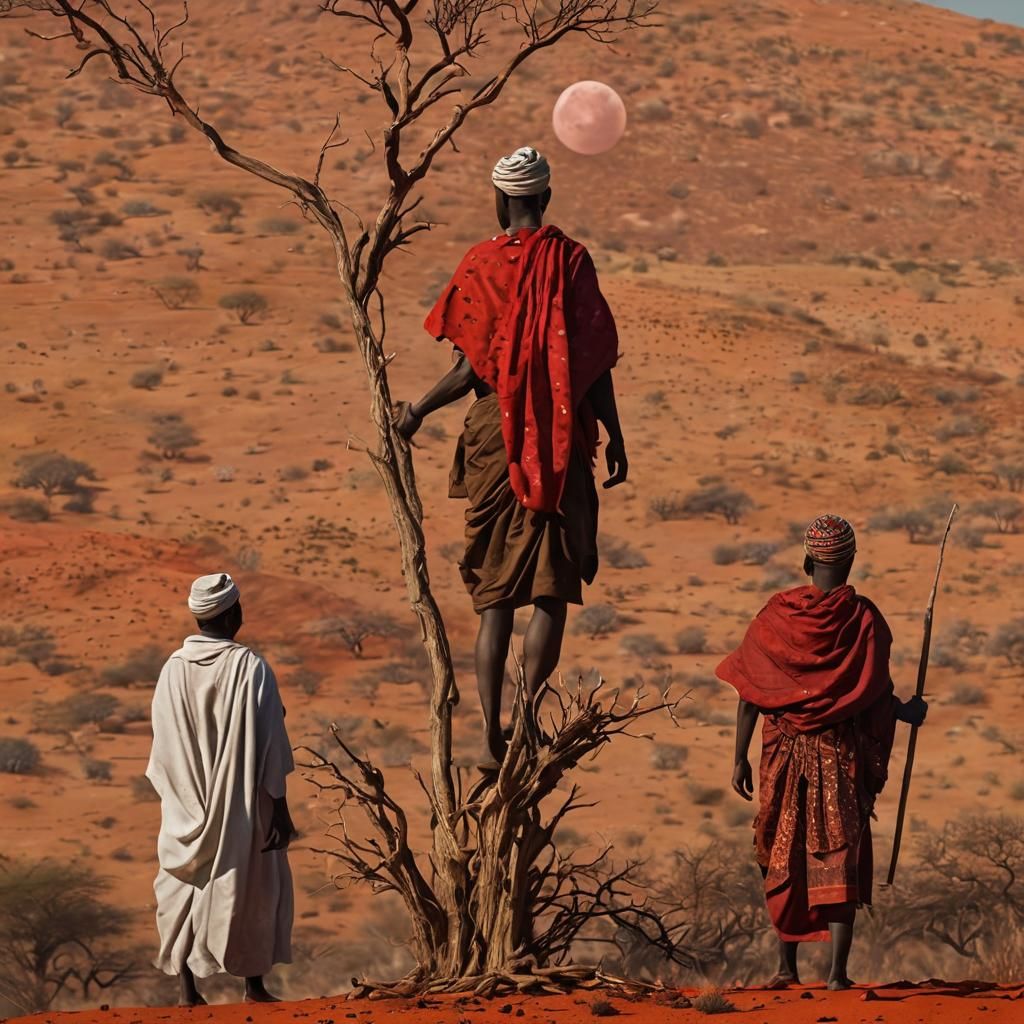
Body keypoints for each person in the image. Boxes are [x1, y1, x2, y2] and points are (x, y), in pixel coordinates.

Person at [395, 146, 627, 770]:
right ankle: (525, 721)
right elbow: (593, 364)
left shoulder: (482, 263)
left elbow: (469, 368)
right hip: (557, 437)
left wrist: (416, 410)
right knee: (551, 587)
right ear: (545, 198)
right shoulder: (571, 261)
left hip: (494, 435)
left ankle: (490, 737)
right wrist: (615, 433)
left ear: (500, 200)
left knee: (495, 595)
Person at [716, 515, 928, 990]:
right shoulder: (864, 619)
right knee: (839, 850)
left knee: (782, 848)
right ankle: (837, 975)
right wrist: (907, 711)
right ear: (851, 562)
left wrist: (738, 756)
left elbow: (750, 692)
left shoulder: (775, 618)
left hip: (783, 755)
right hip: (839, 753)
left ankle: (785, 969)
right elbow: (873, 695)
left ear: (807, 561)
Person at [146, 573, 296, 1006]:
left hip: (185, 802)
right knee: (251, 885)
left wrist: (182, 798)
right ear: (233, 615)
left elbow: (164, 745)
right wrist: (279, 808)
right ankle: (254, 987)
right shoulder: (251, 668)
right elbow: (271, 740)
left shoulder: (172, 670)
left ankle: (187, 991)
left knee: (182, 886)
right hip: (243, 802)